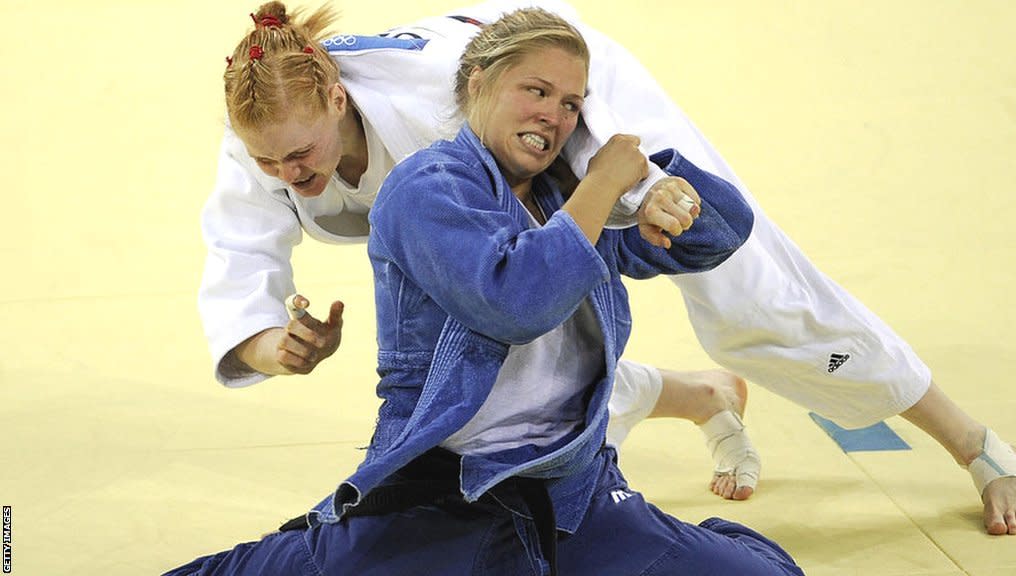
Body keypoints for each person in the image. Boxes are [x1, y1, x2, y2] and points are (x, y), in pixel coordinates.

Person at [199, 0, 1016, 535]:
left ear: (337, 99)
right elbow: (240, 250)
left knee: (751, 296)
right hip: (483, 129)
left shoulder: (436, 104)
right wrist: (273, 344)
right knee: (487, 347)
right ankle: (697, 397)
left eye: (300, 158)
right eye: (269, 164)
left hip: (551, 79)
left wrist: (650, 189)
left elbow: (580, 124)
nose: (289, 176)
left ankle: (975, 445)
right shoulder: (272, 129)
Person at [165, 9, 804, 574]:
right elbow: (517, 301)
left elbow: (716, 236)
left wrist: (654, 184)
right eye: (534, 92)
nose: (551, 116)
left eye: (570, 106)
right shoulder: (423, 189)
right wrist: (604, 184)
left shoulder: (568, 194)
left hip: (571, 488)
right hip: (446, 493)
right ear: (478, 86)